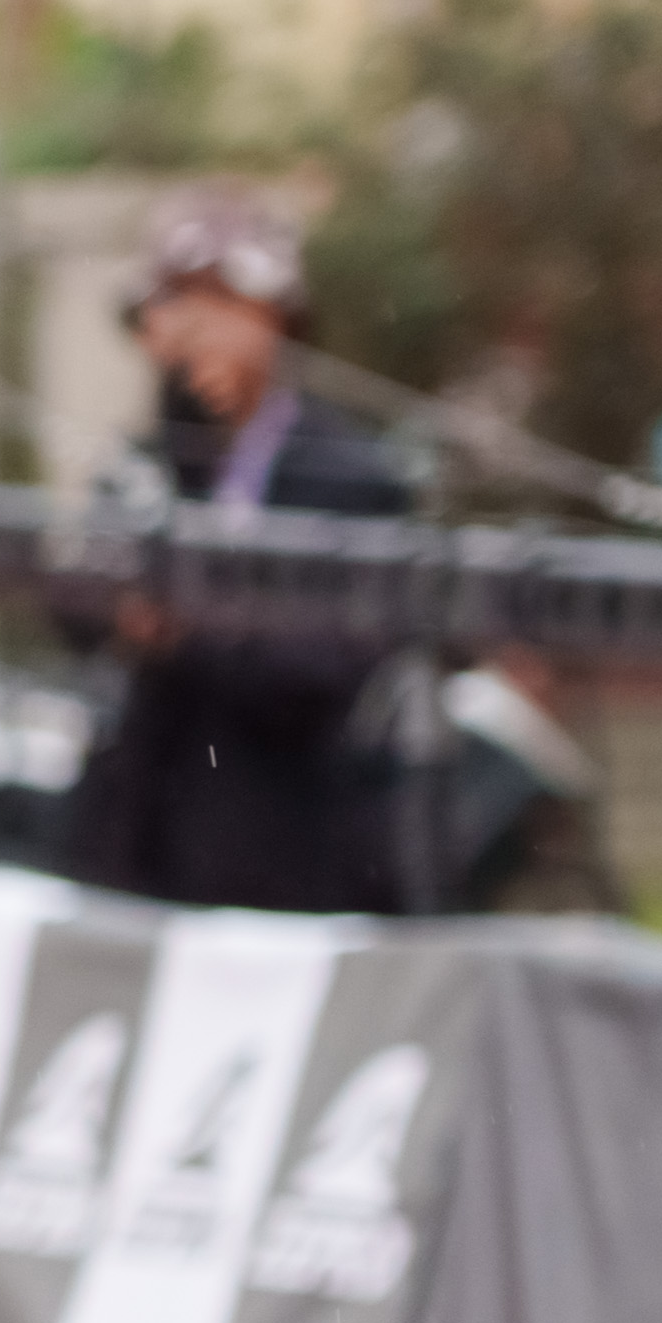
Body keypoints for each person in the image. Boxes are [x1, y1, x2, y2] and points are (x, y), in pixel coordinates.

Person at [59, 200, 437, 913]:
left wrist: (190, 631)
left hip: (285, 848)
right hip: (142, 840)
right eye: (171, 310)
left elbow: (333, 663)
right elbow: (71, 605)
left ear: (273, 320)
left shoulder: (350, 473)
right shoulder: (149, 462)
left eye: (211, 307)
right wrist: (117, 612)